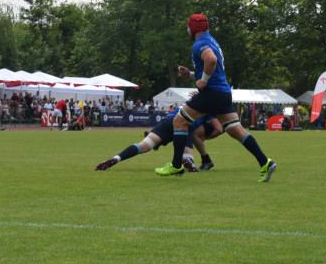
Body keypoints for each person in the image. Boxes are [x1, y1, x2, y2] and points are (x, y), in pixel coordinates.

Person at [156, 14, 277, 182]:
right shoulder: (212, 41)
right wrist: (192, 75)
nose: (187, 30)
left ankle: (177, 165)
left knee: (179, 121)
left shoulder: (200, 43)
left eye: (188, 27)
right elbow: (214, 68)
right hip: (223, 93)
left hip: (211, 94)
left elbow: (210, 60)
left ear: (195, 28)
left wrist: (202, 81)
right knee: (237, 131)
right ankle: (265, 162)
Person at [97, 114, 224, 172]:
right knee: (189, 159)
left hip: (168, 120)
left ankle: (116, 158)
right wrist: (205, 137)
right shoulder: (208, 108)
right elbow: (218, 128)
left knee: (144, 146)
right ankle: (187, 161)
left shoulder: (188, 102)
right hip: (184, 126)